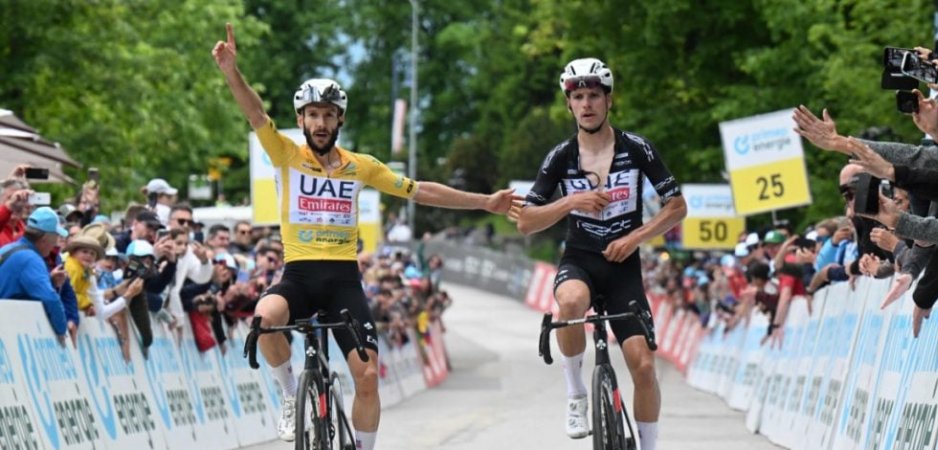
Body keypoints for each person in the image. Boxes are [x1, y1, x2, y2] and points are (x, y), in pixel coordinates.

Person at [212, 23, 517, 448]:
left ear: (340, 119)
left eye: (328, 115)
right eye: (313, 115)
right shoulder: (285, 154)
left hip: (343, 282)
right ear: (301, 120)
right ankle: (287, 396)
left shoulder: (362, 165)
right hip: (298, 276)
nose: (320, 123)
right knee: (264, 319)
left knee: (368, 377)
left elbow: (421, 190)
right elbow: (255, 113)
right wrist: (231, 72)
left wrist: (484, 202)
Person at [515, 58, 687, 450]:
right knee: (570, 302)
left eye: (594, 95)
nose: (586, 104)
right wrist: (571, 200)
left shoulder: (637, 147)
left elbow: (677, 207)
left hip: (624, 265)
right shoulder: (560, 156)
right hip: (580, 259)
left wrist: (635, 238)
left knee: (643, 367)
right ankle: (576, 393)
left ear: (609, 101)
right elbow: (525, 221)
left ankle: (649, 444)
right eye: (578, 97)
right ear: (569, 105)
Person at [0, 207, 69, 338]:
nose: (56, 243)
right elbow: (50, 299)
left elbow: (13, 284)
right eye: (55, 236)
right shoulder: (31, 259)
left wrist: (50, 281)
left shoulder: (6, 249)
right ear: (44, 239)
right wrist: (62, 330)